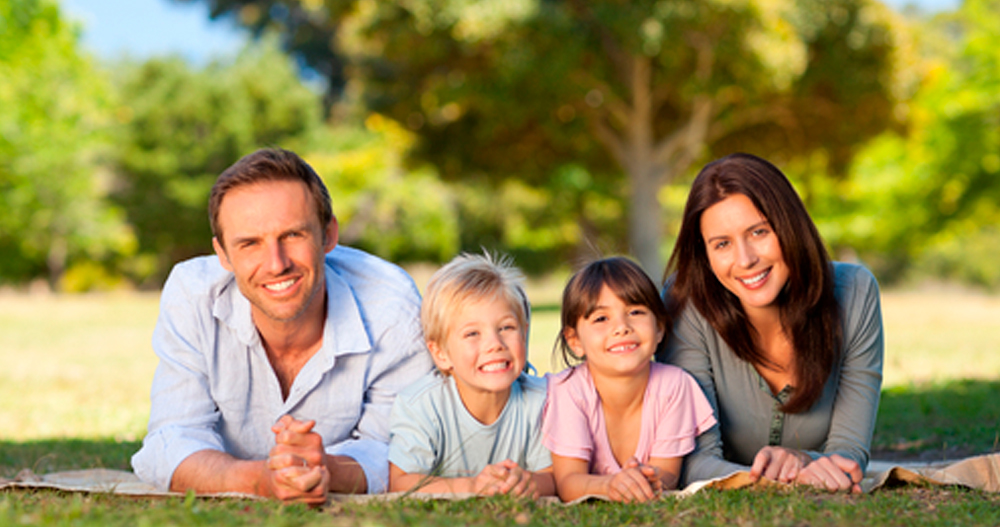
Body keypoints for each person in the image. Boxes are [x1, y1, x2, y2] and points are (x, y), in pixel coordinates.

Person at [131, 148, 434, 504]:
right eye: (249, 243)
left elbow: (403, 449)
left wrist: (329, 470)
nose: (276, 264)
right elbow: (171, 438)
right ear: (223, 255)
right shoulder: (192, 294)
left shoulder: (391, 305)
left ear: (329, 235)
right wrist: (259, 479)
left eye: (292, 235)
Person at [658, 152, 884, 493]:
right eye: (722, 244)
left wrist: (805, 461)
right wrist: (774, 479)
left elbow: (848, 452)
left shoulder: (855, 292)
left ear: (789, 225)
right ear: (705, 255)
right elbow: (691, 459)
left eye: (759, 232)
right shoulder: (685, 303)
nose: (746, 259)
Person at [542, 257, 717, 503]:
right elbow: (569, 484)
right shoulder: (568, 390)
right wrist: (611, 485)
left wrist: (645, 478)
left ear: (659, 329)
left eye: (635, 312)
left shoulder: (674, 385)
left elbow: (668, 475)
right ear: (575, 341)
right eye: (601, 318)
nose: (622, 327)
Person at [388, 253, 555, 497]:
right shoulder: (419, 405)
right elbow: (401, 481)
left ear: (524, 332)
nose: (494, 344)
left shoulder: (543, 399)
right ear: (441, 353)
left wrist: (527, 482)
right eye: (472, 334)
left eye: (506, 328)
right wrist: (472, 486)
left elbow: (554, 477)